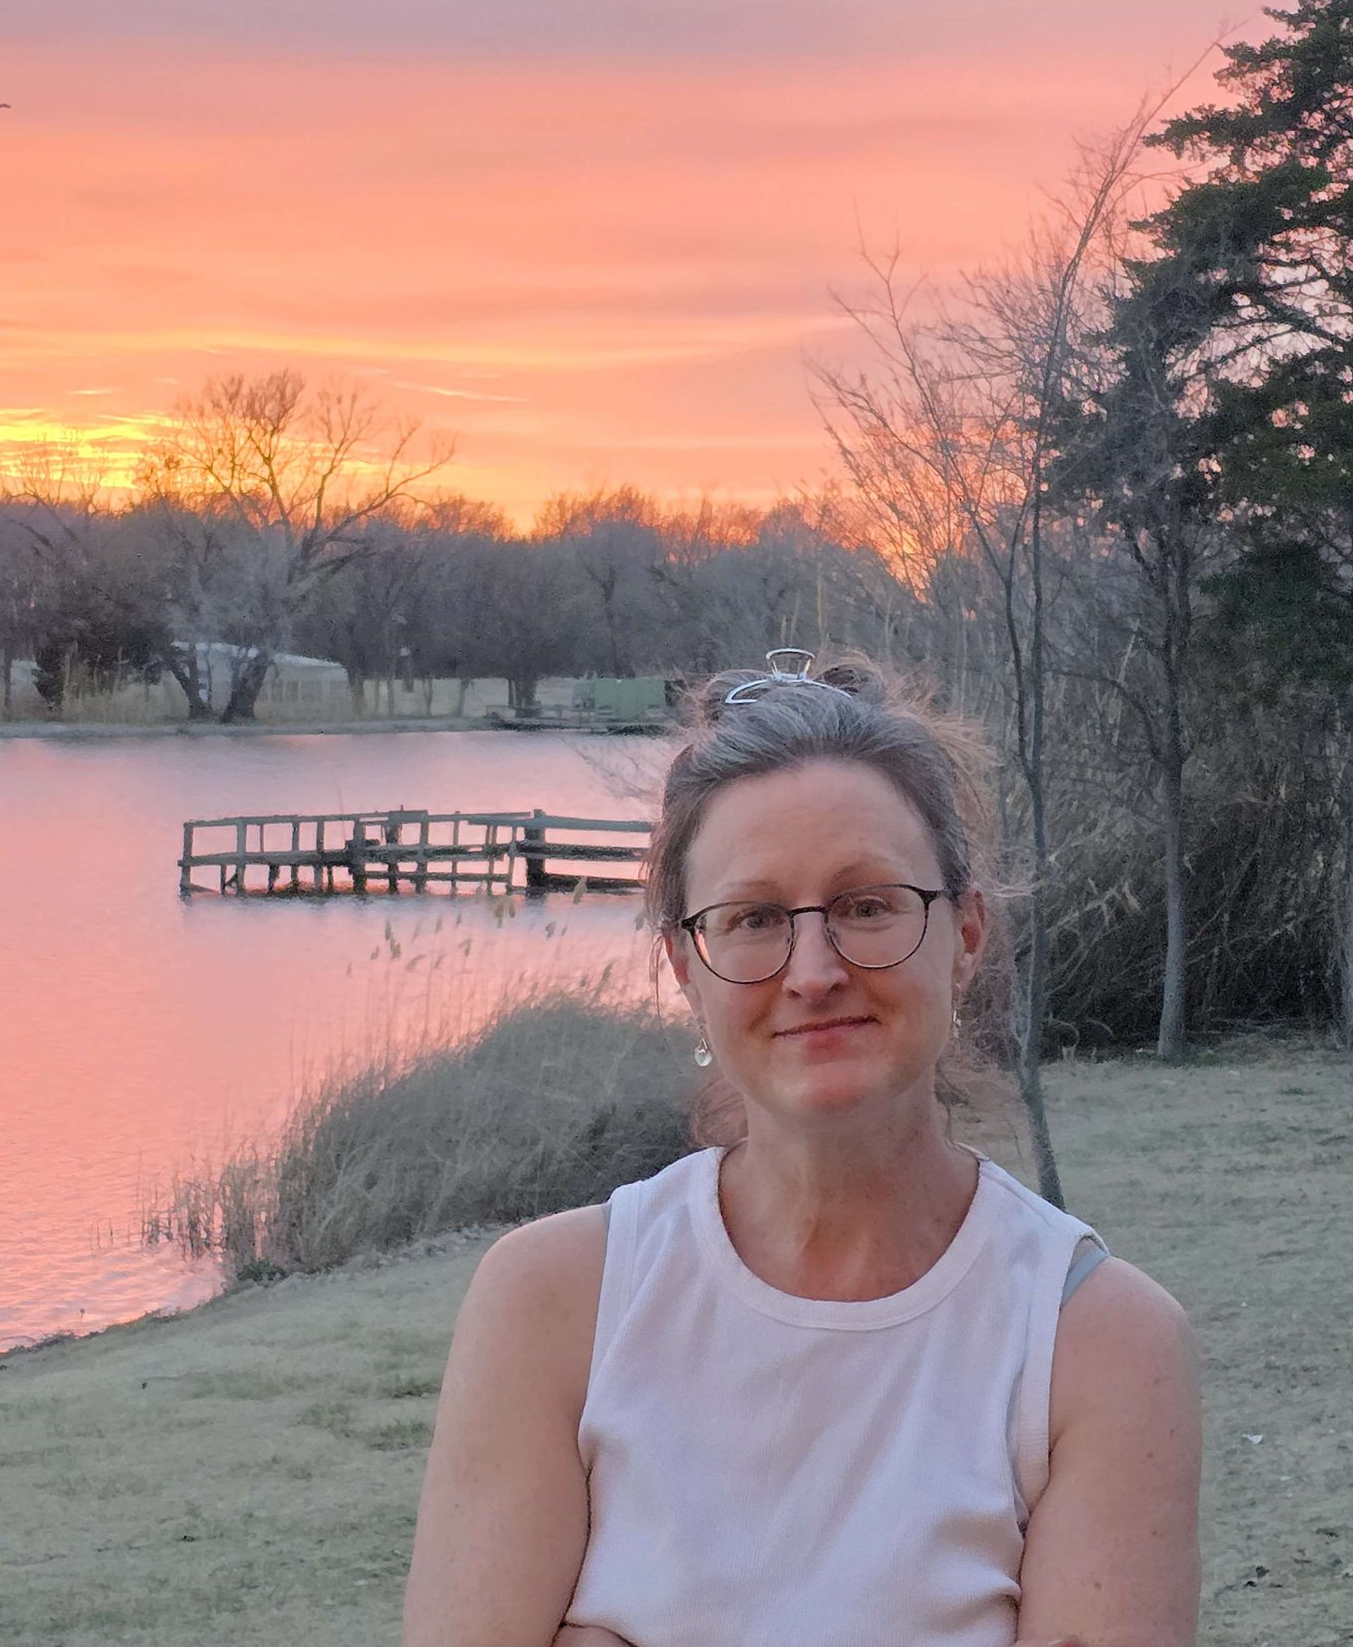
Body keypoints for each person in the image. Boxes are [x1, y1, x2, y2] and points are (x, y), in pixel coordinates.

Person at [401, 654, 1201, 1647]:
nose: (813, 971)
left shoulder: (1099, 1346)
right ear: (683, 964)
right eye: (754, 919)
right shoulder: (553, 1305)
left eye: (867, 904)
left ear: (966, 932)